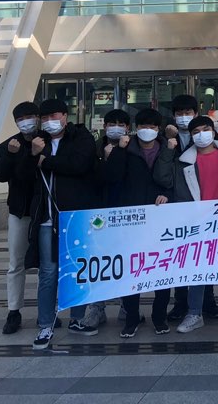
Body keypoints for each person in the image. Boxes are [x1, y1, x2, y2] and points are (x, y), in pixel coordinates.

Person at [155, 115, 218, 335]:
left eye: (205, 129)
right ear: (191, 136)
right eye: (196, 132)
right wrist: (168, 151)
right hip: (197, 222)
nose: (201, 135)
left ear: (213, 130)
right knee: (196, 269)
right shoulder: (184, 160)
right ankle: (194, 314)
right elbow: (164, 179)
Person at [20, 99, 98, 350]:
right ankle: (45, 324)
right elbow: (21, 176)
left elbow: (79, 165)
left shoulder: (81, 137)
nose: (49, 121)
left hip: (74, 217)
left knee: (78, 269)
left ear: (65, 116)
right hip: (46, 218)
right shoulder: (36, 142)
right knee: (48, 272)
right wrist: (32, 155)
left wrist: (45, 161)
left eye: (54, 116)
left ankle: (77, 318)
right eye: (44, 118)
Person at [103, 108, 175, 337]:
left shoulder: (167, 148)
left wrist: (167, 196)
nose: (147, 131)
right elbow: (111, 177)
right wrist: (118, 150)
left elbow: (175, 180)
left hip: (160, 217)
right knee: (131, 270)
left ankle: (159, 317)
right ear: (136, 128)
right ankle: (131, 317)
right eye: (143, 126)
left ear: (158, 129)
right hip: (131, 218)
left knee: (161, 268)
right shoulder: (127, 149)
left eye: (152, 127)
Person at [165, 95, 218, 324]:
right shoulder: (166, 139)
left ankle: (208, 301)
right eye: (179, 113)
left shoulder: (208, 135)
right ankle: (181, 303)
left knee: (206, 255)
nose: (184, 117)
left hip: (208, 205)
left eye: (188, 112)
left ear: (196, 113)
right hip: (179, 206)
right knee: (182, 257)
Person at [80, 108, 131, 331]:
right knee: (98, 262)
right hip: (98, 214)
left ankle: (128, 306)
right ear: (104, 126)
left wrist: (117, 154)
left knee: (126, 262)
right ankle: (96, 308)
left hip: (126, 214)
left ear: (128, 128)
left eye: (121, 124)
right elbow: (95, 178)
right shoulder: (94, 149)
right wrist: (108, 158)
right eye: (111, 124)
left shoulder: (133, 149)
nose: (116, 128)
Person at [0, 101, 40, 335]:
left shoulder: (49, 142)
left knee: (48, 265)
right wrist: (12, 155)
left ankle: (47, 310)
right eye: (21, 119)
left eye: (30, 116)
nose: (26, 122)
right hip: (20, 211)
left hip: (45, 211)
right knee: (16, 263)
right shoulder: (8, 146)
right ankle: (14, 311)